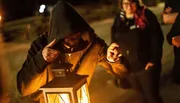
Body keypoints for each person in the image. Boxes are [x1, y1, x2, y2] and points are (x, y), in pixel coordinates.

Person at [17, 0, 127, 103]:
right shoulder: (40, 46)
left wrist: (113, 60)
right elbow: (24, 89)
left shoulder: (91, 43)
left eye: (77, 35)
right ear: (58, 34)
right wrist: (41, 59)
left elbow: (122, 72)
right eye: (69, 36)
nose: (74, 39)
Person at [111, 0, 164, 103]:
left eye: (132, 2)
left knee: (152, 97)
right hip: (129, 67)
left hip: (146, 66)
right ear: (121, 4)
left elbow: (157, 39)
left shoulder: (146, 15)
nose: (129, 6)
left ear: (137, 2)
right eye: (125, 3)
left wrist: (153, 60)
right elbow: (114, 39)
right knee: (140, 97)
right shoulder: (119, 18)